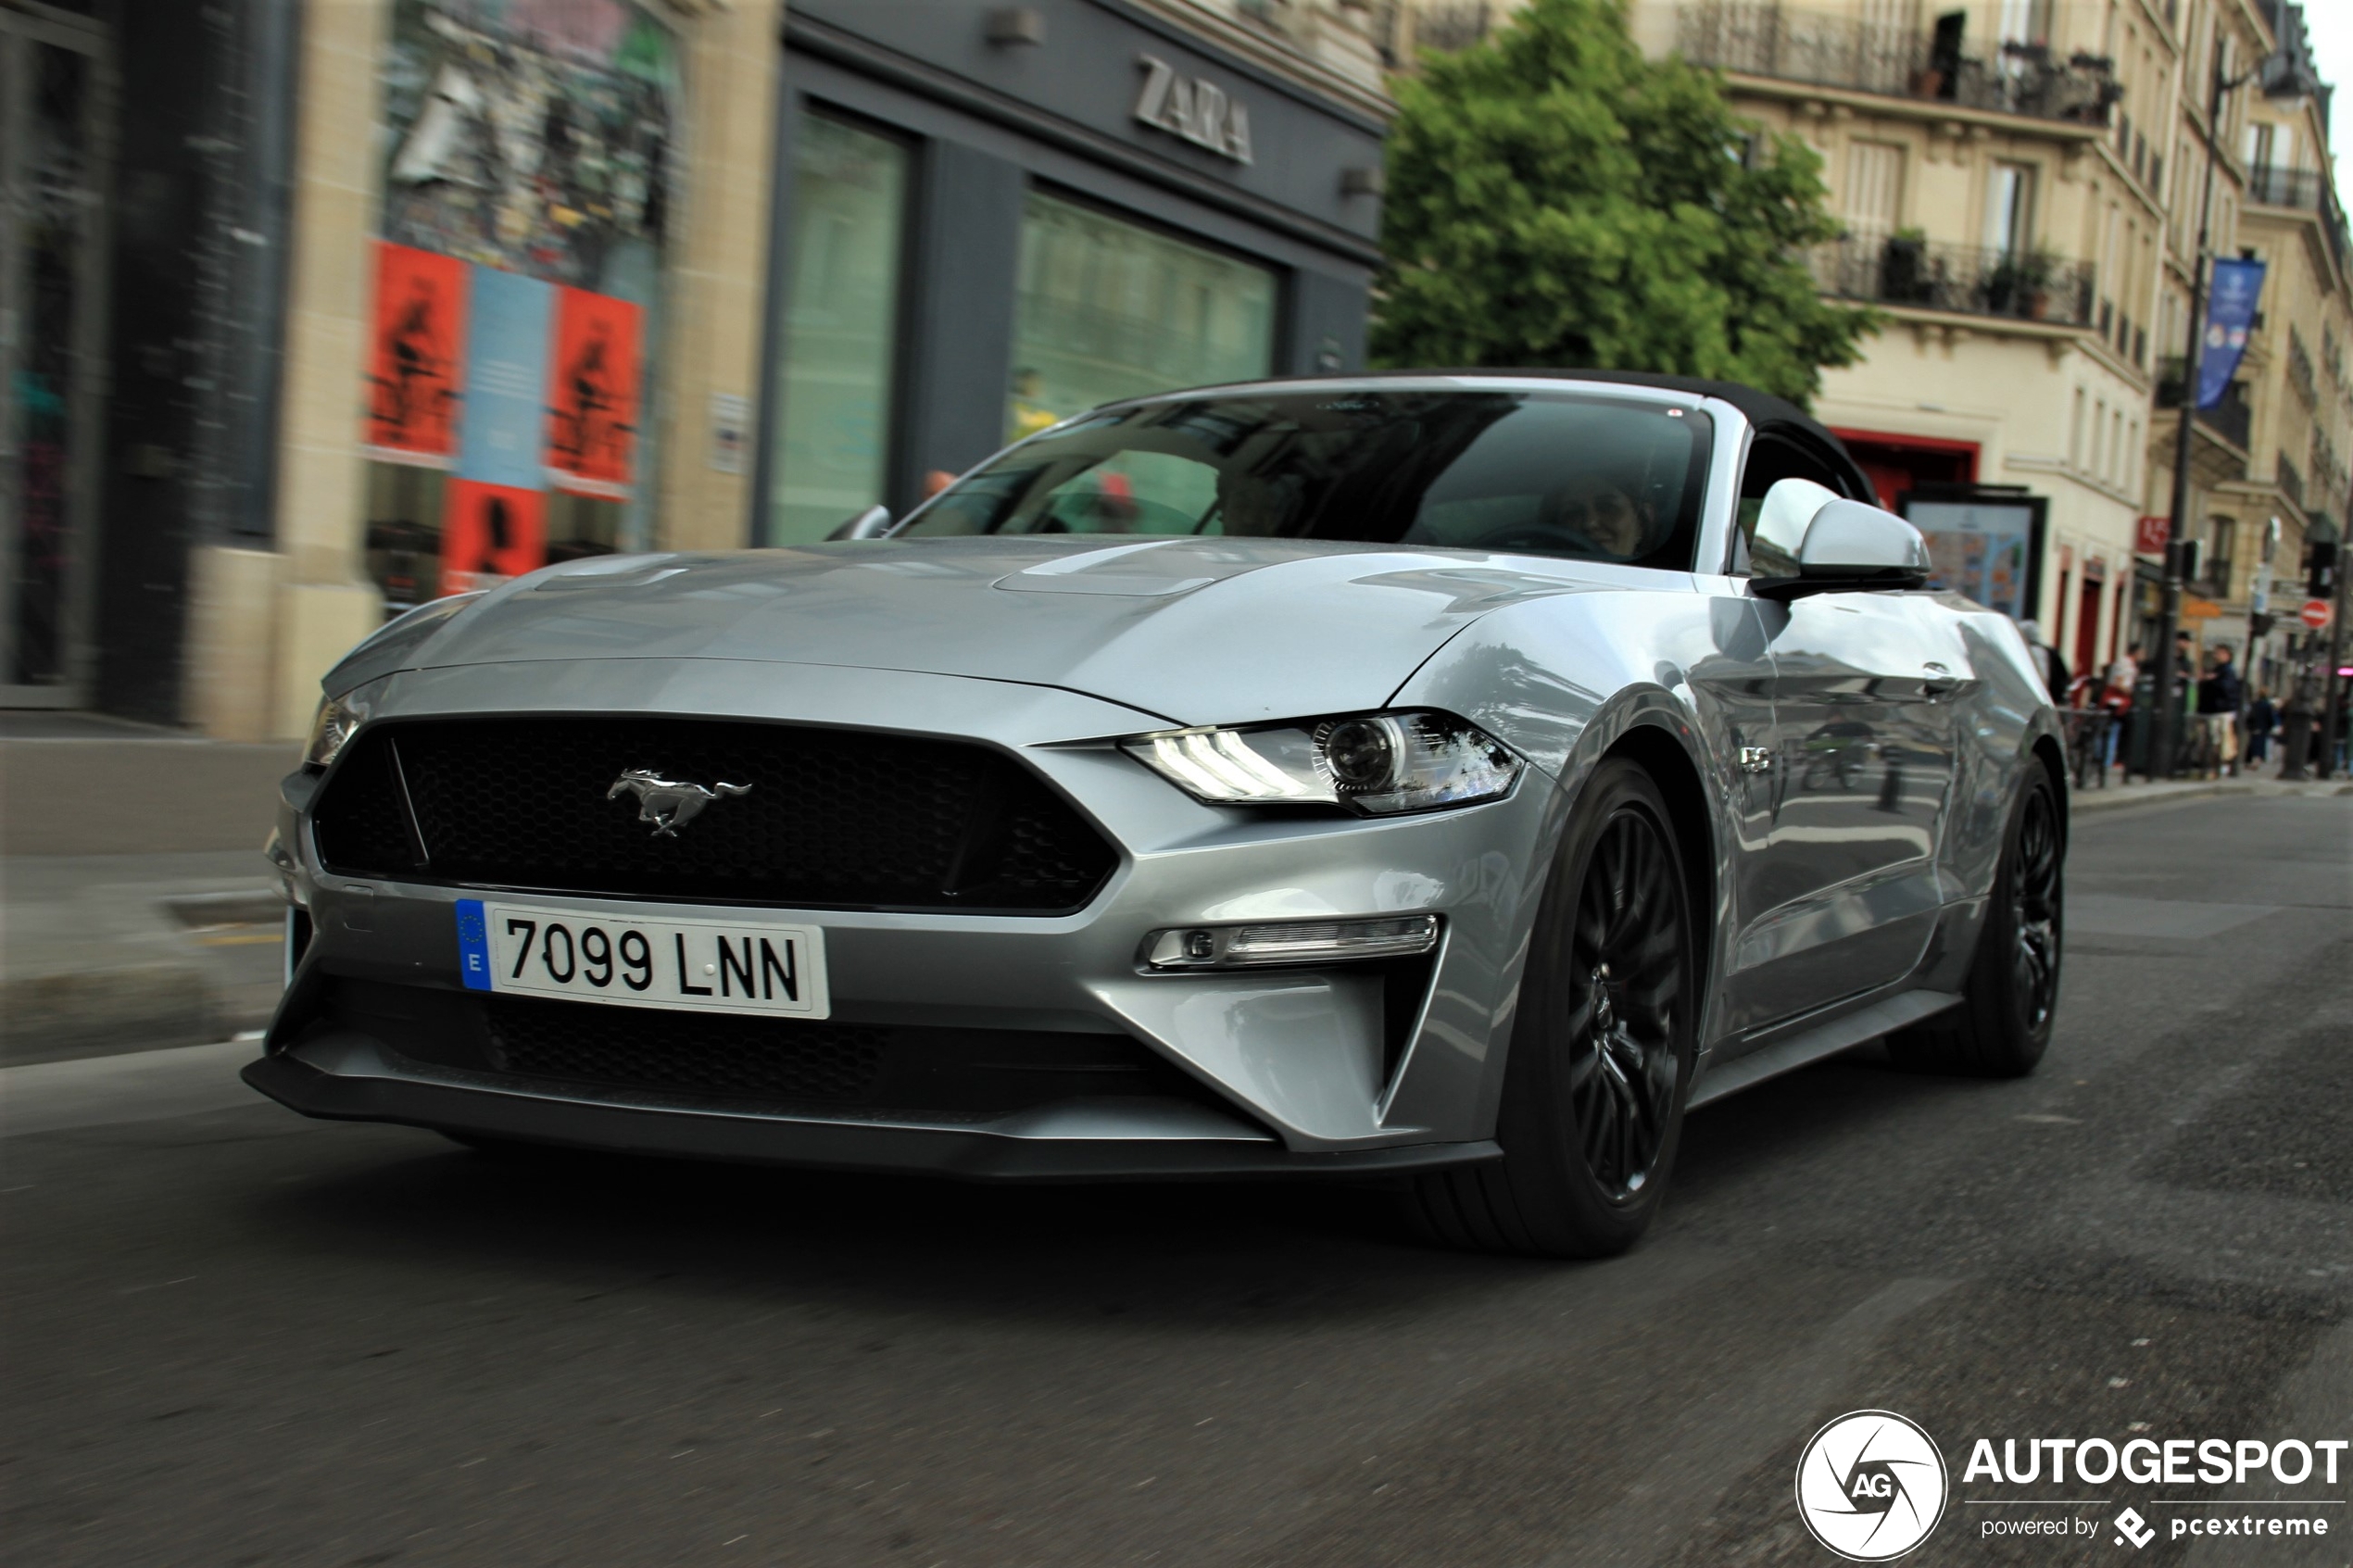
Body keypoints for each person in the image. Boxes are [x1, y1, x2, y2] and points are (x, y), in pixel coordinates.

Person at [2245, 687, 2276, 766]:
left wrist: (2249, 726)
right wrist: (2270, 726)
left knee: (2253, 743)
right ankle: (2257, 761)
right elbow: (2270, 718)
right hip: (2263, 727)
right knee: (2260, 745)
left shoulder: (2255, 704)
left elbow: (2250, 716)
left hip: (2254, 726)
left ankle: (2250, 761)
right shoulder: (2267, 706)